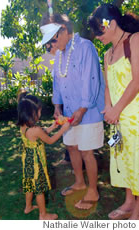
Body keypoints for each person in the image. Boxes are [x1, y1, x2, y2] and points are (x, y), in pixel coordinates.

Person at [40, 13, 105, 210]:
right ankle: (79, 182)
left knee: (87, 152)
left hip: (88, 112)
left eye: (53, 39)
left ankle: (92, 190)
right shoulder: (60, 55)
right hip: (69, 113)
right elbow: (57, 83)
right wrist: (58, 107)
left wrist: (82, 109)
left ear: (65, 31)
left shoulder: (86, 47)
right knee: (71, 147)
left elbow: (91, 81)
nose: (51, 45)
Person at [89, 3, 139, 219]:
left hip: (135, 119)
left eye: (98, 30)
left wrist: (117, 109)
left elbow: (137, 81)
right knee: (124, 161)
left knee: (137, 162)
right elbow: (108, 86)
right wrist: (108, 109)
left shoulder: (135, 40)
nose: (96, 36)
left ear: (112, 24)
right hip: (117, 120)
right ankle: (129, 202)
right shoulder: (107, 54)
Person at [17, 93, 70, 220]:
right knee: (39, 188)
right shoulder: (35, 129)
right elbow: (50, 140)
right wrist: (62, 130)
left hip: (28, 161)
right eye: (39, 111)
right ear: (32, 113)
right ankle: (43, 214)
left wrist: (53, 126)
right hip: (36, 163)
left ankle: (28, 207)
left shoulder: (25, 126)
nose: (40, 113)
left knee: (30, 184)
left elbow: (41, 134)